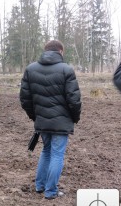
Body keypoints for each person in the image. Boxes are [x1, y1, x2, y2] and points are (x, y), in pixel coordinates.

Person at [19, 40, 81, 200]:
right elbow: (74, 100)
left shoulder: (30, 69)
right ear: (60, 51)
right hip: (61, 122)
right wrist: (75, 118)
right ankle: (51, 191)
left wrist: (36, 116)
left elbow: (25, 99)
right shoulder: (67, 70)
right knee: (57, 155)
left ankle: (40, 186)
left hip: (42, 121)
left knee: (46, 152)